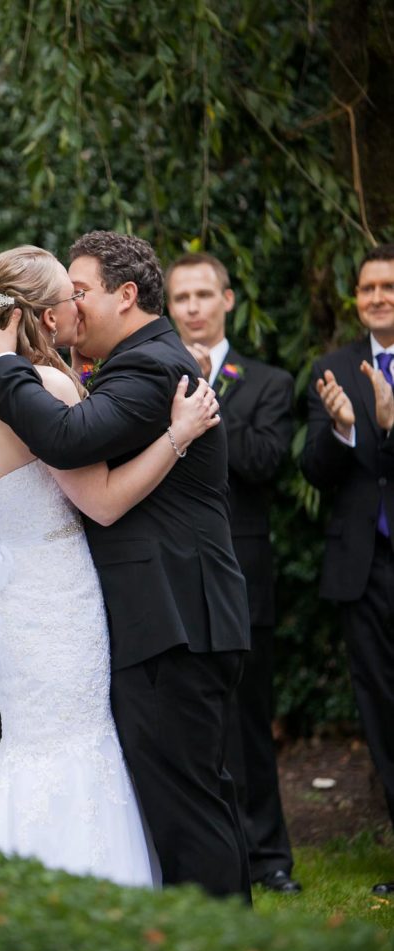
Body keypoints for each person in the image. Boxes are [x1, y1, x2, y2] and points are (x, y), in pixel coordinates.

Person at [0, 244, 221, 887]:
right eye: (69, 295)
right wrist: (176, 436)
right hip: (64, 600)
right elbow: (100, 502)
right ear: (47, 318)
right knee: (78, 753)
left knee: (34, 752)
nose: (78, 305)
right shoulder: (44, 386)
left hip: (19, 601)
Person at [0, 232, 252, 901]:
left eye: (81, 293)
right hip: (161, 617)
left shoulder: (151, 367)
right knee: (183, 798)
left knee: (188, 805)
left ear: (126, 296)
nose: (69, 308)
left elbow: (69, 440)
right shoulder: (136, 364)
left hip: (173, 618)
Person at [165, 251, 300, 894]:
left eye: (202, 294)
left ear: (228, 300)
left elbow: (263, 460)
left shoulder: (269, 382)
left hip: (243, 573)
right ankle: (208, 855)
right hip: (172, 574)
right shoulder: (148, 377)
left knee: (249, 720)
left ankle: (270, 856)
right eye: (180, 297)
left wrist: (202, 396)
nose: (192, 306)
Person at [301, 242, 394, 895]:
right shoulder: (331, 369)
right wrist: (342, 431)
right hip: (364, 570)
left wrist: (389, 426)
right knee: (381, 708)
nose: (377, 297)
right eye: (366, 288)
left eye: (388, 286)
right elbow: (311, 472)